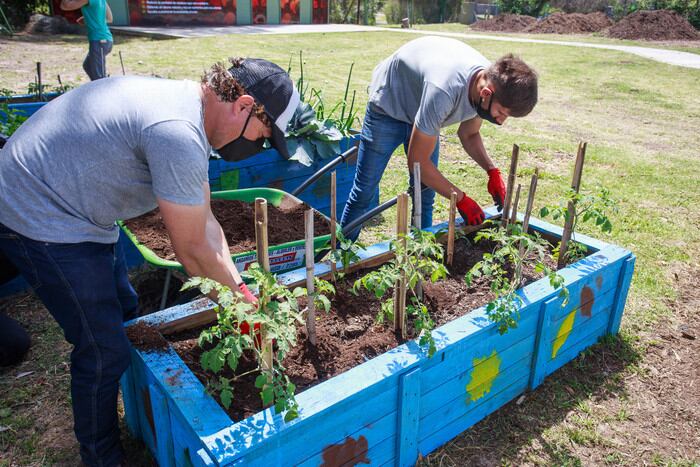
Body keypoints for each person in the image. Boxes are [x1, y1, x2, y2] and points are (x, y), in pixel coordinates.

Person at [0, 57, 299, 467]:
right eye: (263, 138)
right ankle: (101, 457)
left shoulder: (189, 111)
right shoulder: (177, 133)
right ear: (244, 105)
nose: (258, 149)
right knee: (103, 348)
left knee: (124, 314)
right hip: (40, 211)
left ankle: (136, 404)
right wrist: (244, 313)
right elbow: (192, 251)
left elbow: (207, 223)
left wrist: (241, 292)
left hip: (77, 207)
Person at [340, 36, 539, 240]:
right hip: (389, 106)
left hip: (424, 107)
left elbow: (469, 133)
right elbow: (417, 163)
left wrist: (492, 171)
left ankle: (421, 254)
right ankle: (341, 259)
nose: (501, 121)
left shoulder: (489, 85)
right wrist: (461, 199)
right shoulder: (445, 89)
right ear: (486, 93)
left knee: (425, 194)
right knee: (364, 192)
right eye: (502, 113)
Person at [60, 0, 113, 81]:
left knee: (99, 78)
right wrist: (89, 19)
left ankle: (102, 91)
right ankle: (97, 88)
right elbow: (109, 18)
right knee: (88, 66)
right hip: (106, 40)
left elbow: (65, 6)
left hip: (99, 40)